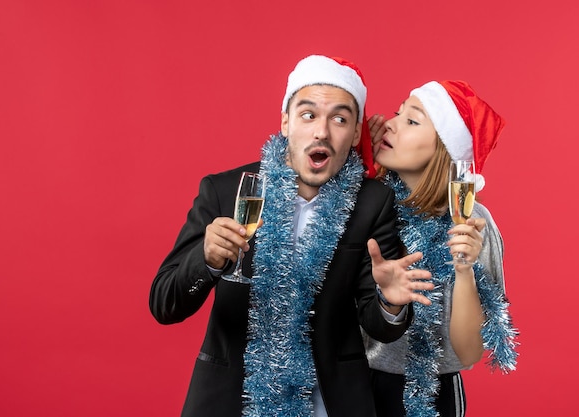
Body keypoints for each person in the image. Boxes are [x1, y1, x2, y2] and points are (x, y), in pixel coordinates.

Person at [149, 54, 435, 417]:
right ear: (285, 122)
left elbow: (381, 327)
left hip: (330, 402)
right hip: (229, 399)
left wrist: (390, 303)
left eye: (340, 119)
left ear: (354, 132)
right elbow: (164, 304)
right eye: (308, 115)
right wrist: (205, 261)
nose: (322, 132)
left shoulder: (372, 203)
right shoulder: (224, 191)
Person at [362, 80, 518, 417]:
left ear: (444, 148)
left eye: (412, 121)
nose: (389, 124)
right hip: (353, 386)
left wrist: (464, 269)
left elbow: (470, 352)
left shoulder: (473, 223)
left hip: (435, 396)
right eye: (397, 113)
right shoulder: (361, 205)